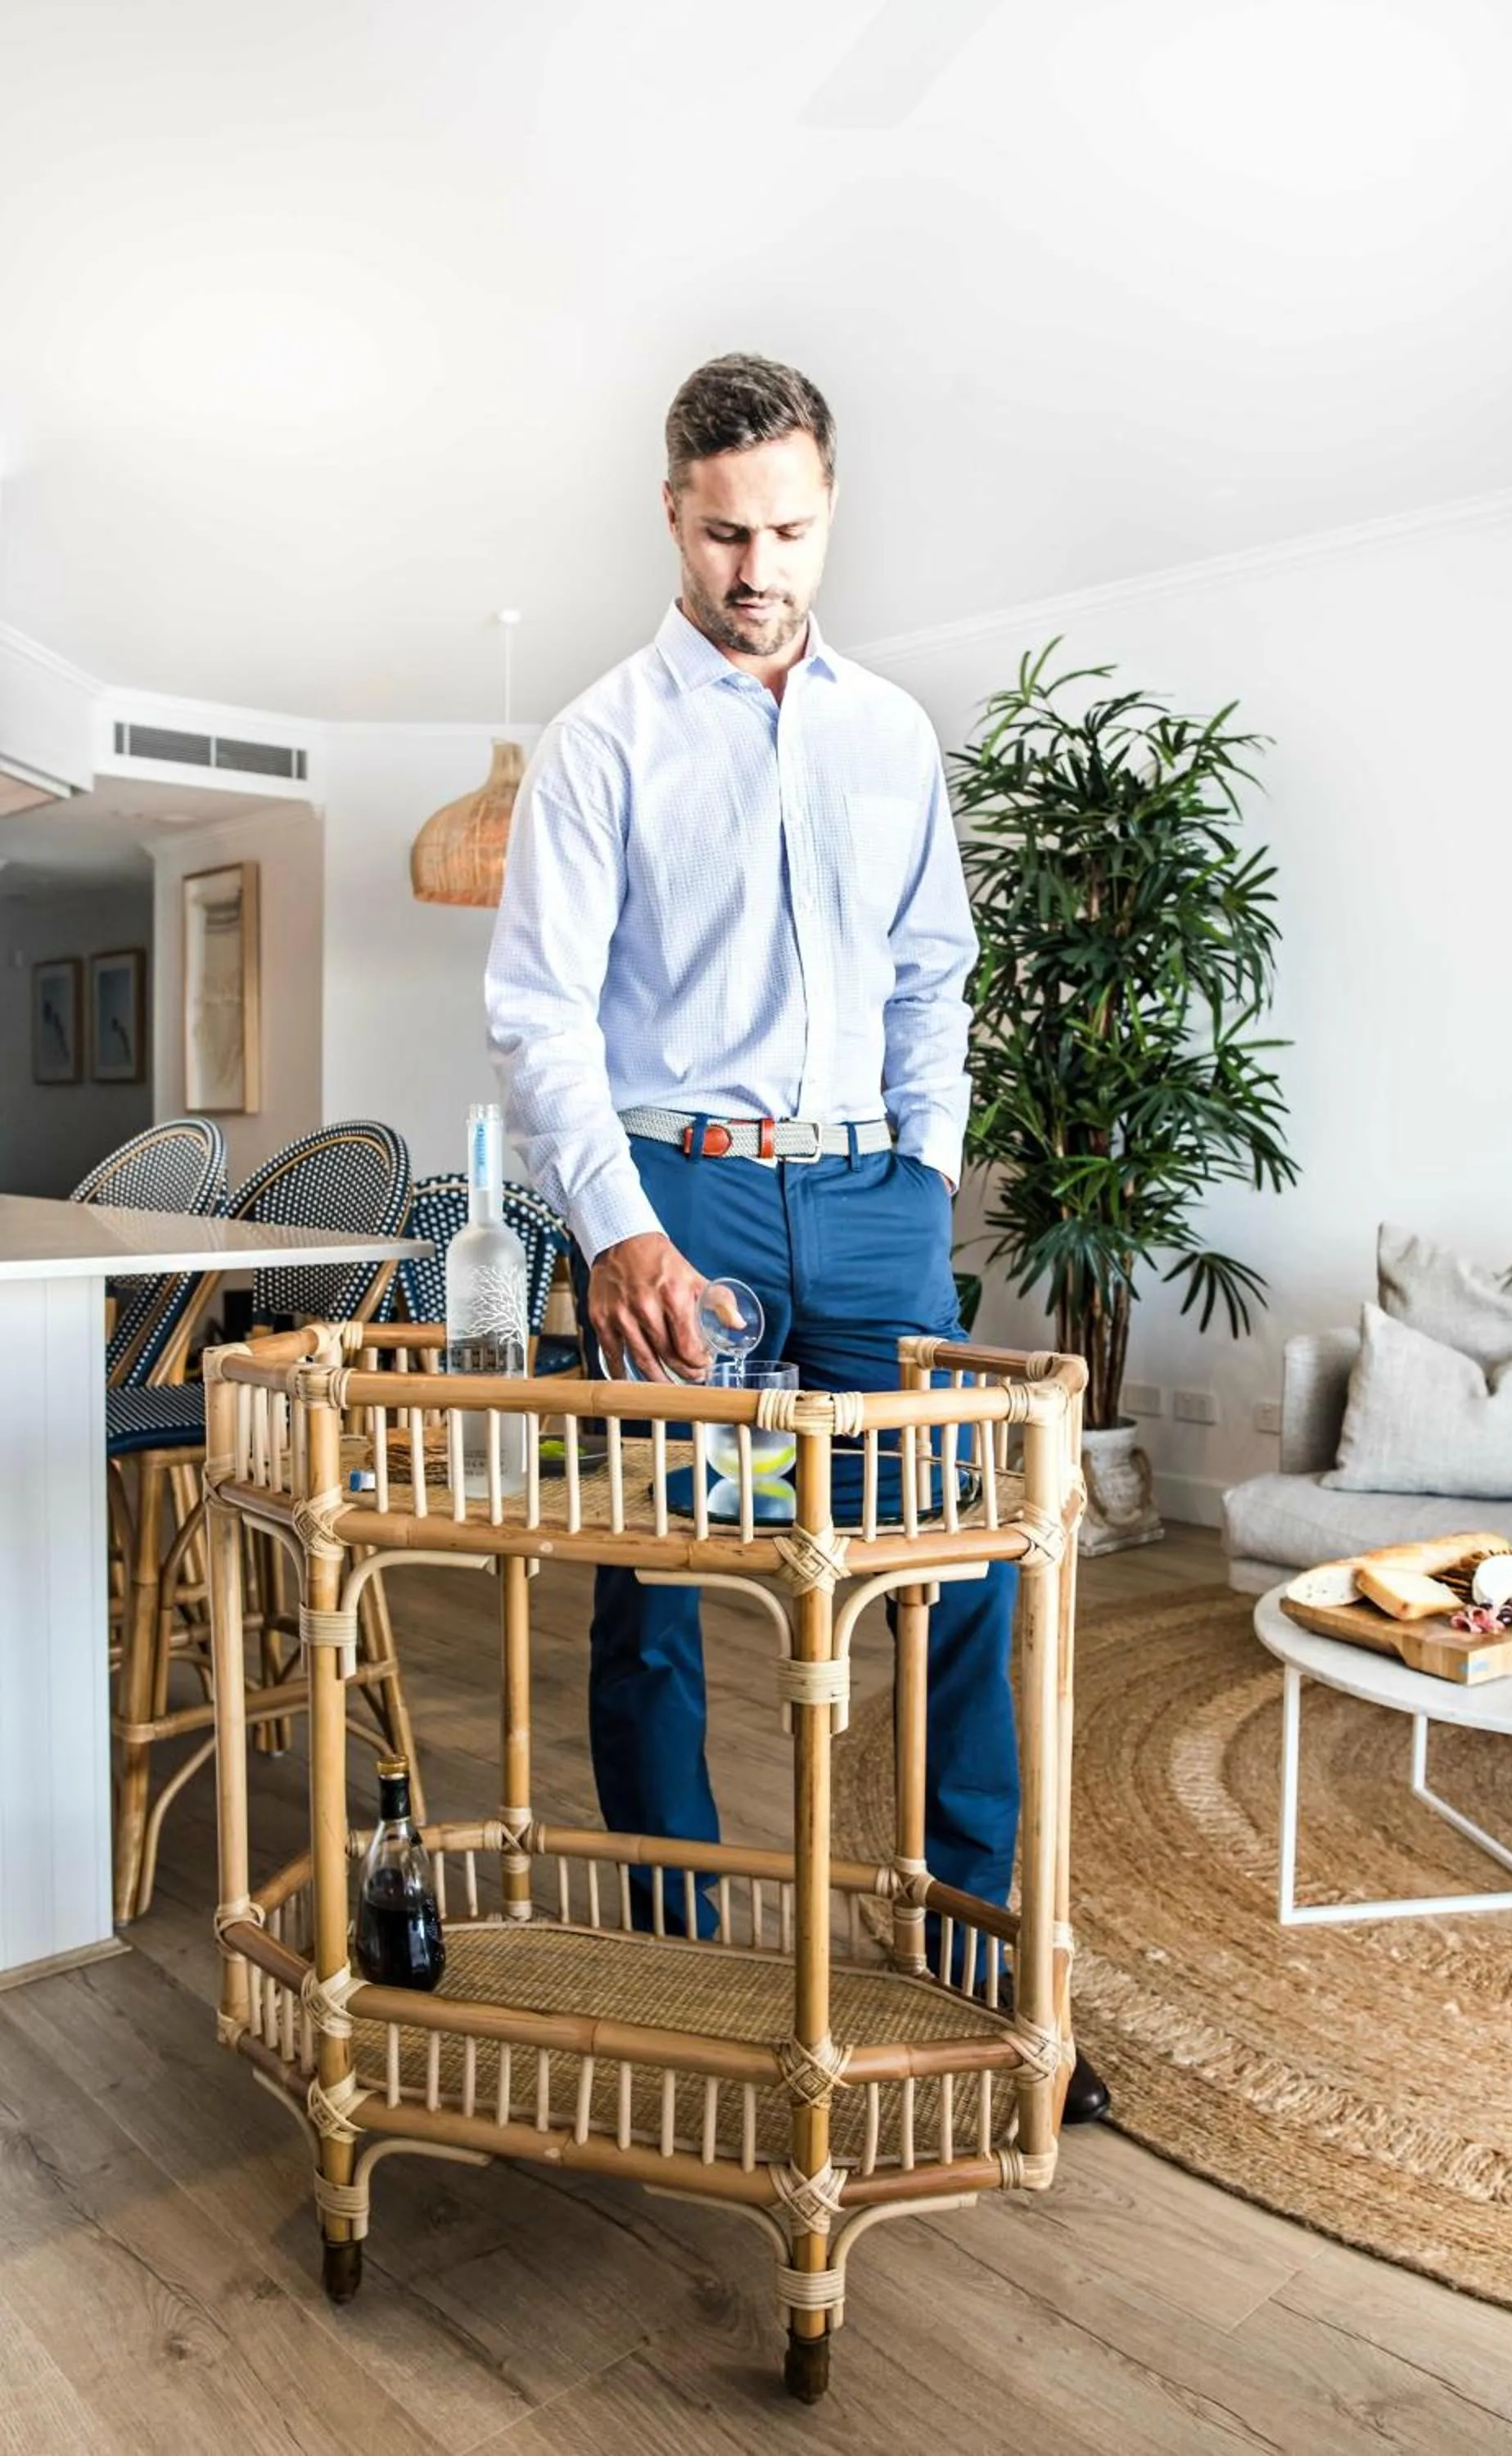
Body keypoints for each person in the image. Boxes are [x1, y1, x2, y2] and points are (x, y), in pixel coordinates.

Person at [487, 352, 1107, 2122]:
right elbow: (541, 1015)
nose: (755, 567)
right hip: (673, 1196)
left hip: (868, 1204)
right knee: (661, 1598)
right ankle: (677, 1980)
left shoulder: (887, 734)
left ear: (828, 509)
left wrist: (921, 1172)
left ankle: (970, 1980)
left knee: (965, 1566)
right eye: (720, 533)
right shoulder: (603, 738)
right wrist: (615, 1232)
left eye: (786, 529)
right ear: (670, 519)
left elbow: (934, 974)